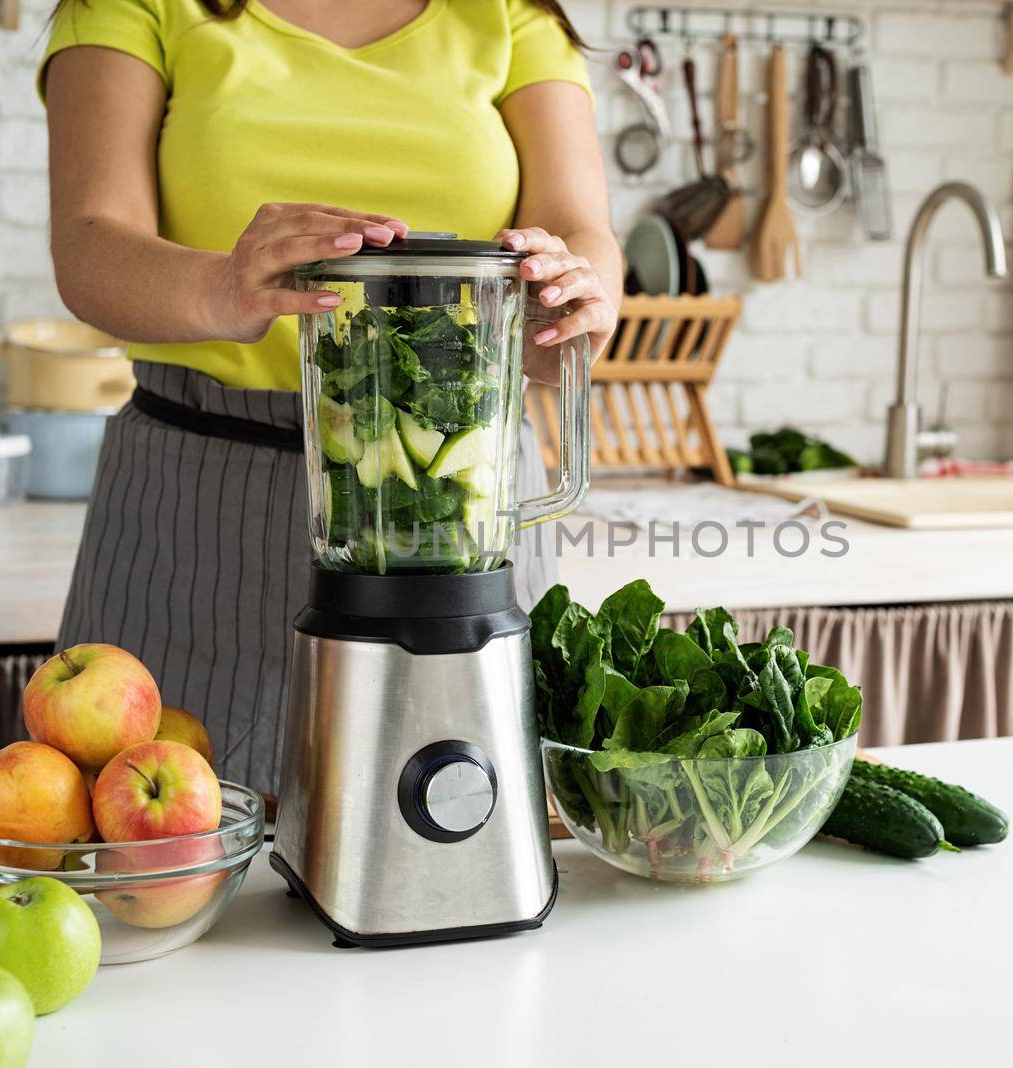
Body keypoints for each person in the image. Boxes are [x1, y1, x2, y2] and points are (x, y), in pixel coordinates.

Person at [40, 0, 619, 794]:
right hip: (199, 505)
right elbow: (87, 240)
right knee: (168, 866)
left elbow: (583, 234)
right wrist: (220, 287)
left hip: (455, 503)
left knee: (463, 844)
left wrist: (572, 300)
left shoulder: (512, 16)